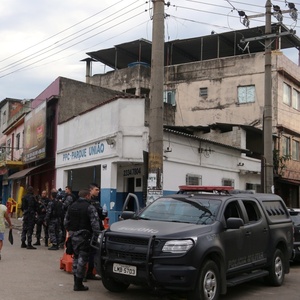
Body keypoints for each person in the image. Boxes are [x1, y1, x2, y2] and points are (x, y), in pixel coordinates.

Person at [64, 189, 100, 291]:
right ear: (87, 196)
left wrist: (71, 232)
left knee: (75, 258)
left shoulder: (72, 206)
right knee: (82, 259)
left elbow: (66, 222)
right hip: (85, 236)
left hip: (73, 236)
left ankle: (76, 281)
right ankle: (78, 283)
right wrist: (96, 237)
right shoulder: (90, 207)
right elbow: (95, 224)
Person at [83, 183, 107, 281]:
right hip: (89, 231)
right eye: (96, 190)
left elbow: (102, 216)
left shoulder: (95, 202)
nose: (98, 191)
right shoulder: (88, 203)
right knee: (86, 253)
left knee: (93, 252)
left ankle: (89, 273)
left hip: (93, 231)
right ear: (90, 190)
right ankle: (84, 274)